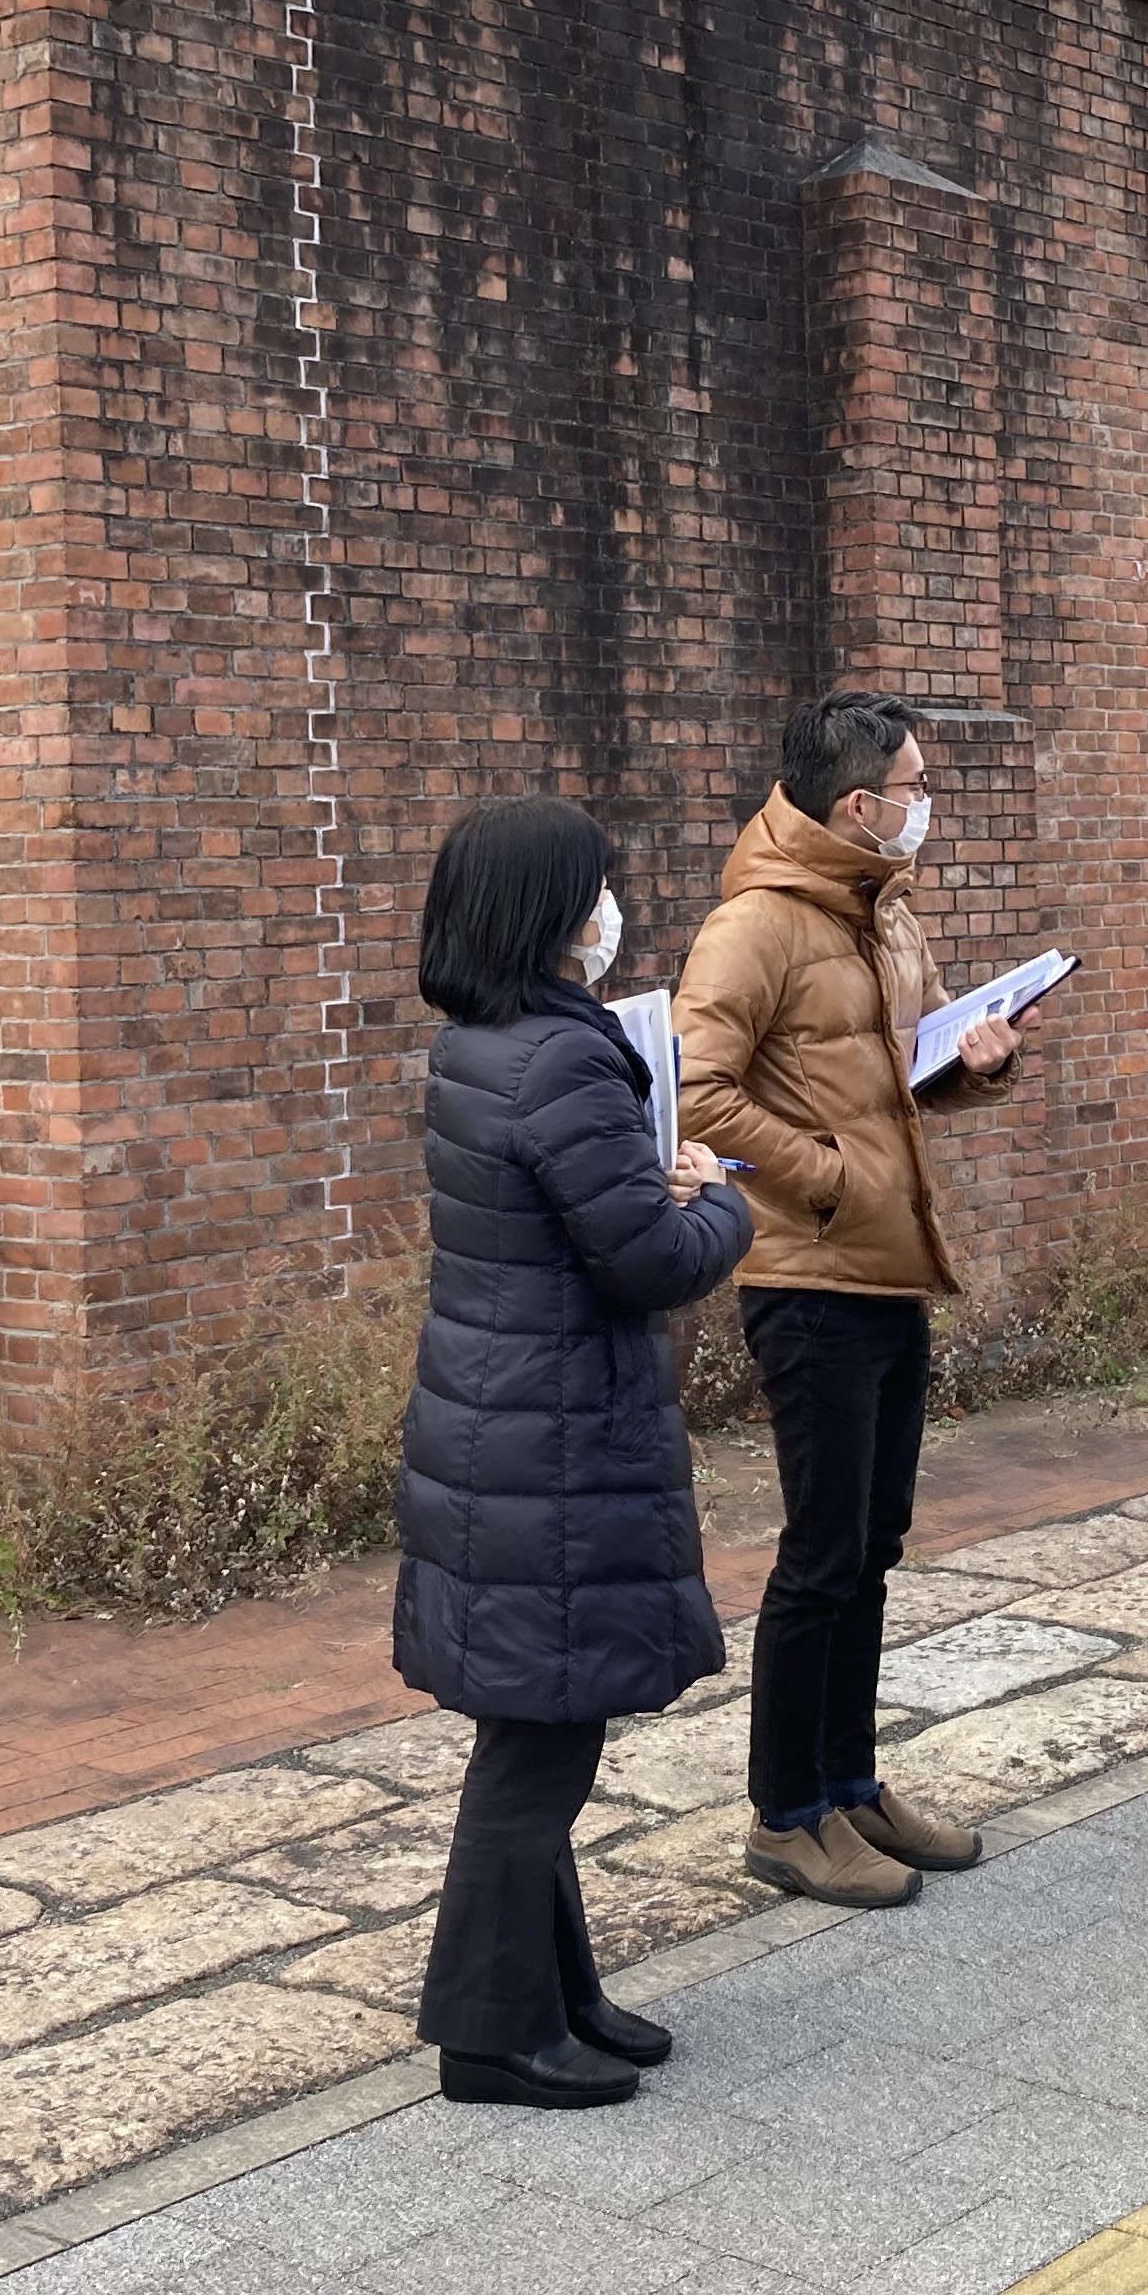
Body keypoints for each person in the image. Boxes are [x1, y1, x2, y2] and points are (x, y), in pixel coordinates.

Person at [393, 796, 755, 2109]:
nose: (613, 913)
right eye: (600, 888)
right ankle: (489, 2035)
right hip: (548, 1443)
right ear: (554, 913)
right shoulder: (562, 1063)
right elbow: (647, 1261)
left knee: (538, 1729)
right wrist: (721, 1200)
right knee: (538, 1750)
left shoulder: (488, 1044)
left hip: (502, 1426)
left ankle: (556, 1992)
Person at [674, 691, 1029, 1909]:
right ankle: (786, 1816)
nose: (928, 809)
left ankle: (849, 1784)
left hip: (889, 1269)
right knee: (822, 1554)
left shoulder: (886, 915)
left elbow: (899, 1082)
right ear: (859, 804)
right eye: (917, 788)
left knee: (872, 1545)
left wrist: (973, 1061)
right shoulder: (755, 926)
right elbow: (697, 1094)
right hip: (808, 1276)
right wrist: (826, 1174)